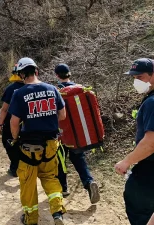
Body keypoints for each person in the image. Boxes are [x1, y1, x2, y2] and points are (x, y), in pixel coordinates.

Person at [9, 57, 66, 225]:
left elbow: (14, 122)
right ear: (36, 71)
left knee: (28, 182)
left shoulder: (19, 93)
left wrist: (14, 138)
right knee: (50, 177)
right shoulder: (52, 89)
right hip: (51, 145)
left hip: (29, 148)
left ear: (21, 75)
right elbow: (62, 115)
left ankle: (31, 219)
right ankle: (57, 211)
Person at [115, 58, 154, 225]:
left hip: (150, 170)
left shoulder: (152, 102)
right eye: (134, 78)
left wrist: (126, 161)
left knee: (140, 208)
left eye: (140, 77)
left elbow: (150, 143)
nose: (136, 81)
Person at [54, 63, 100, 204]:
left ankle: (63, 188)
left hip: (61, 135)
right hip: (78, 135)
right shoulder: (81, 89)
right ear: (69, 74)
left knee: (60, 161)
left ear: (57, 75)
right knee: (79, 161)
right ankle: (89, 182)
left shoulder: (56, 91)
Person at [0, 64, 24, 177]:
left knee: (8, 142)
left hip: (12, 121)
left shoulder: (11, 89)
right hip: (30, 122)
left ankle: (15, 167)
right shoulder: (36, 87)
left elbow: (4, 109)